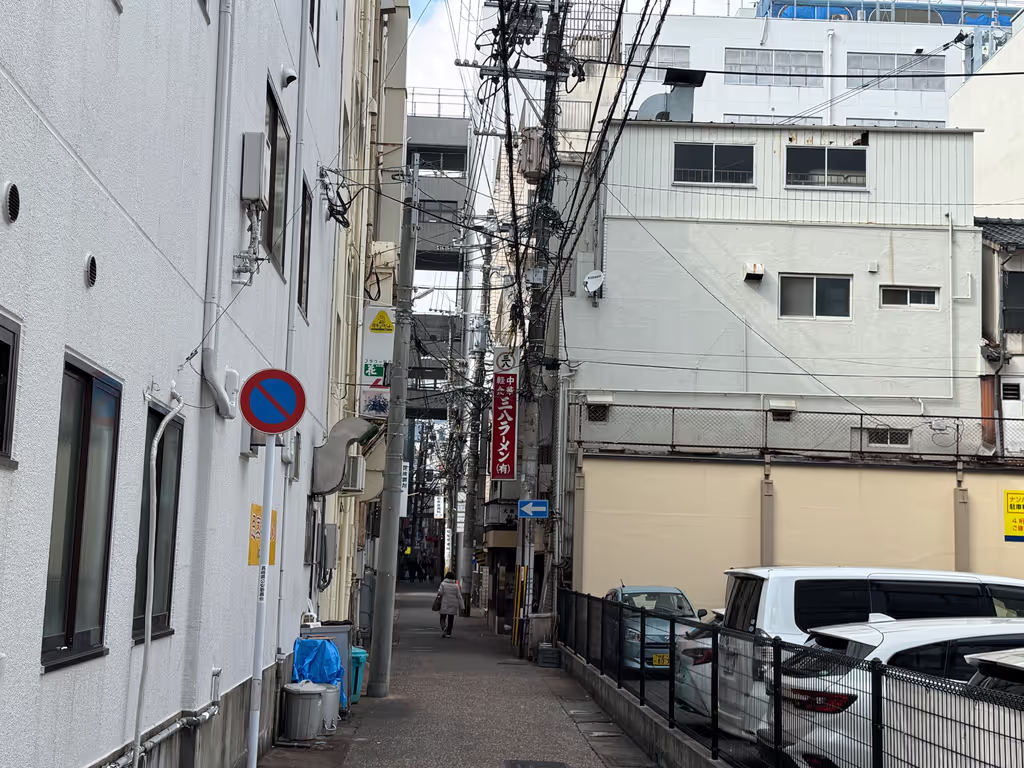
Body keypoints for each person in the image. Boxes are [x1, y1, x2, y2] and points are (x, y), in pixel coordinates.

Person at [436, 571, 463, 638]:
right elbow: (459, 596)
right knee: (451, 619)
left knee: (442, 618)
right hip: (453, 604)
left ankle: (444, 627)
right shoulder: (456, 586)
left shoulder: (443, 584)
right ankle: (448, 633)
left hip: (444, 603)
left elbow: (440, 593)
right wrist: (462, 606)